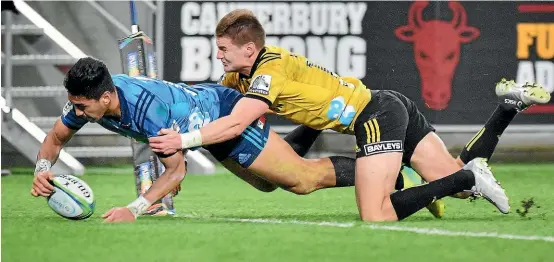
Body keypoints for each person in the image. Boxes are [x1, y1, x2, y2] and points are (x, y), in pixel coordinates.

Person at [148, 9, 551, 221]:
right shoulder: (241, 76)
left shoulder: (269, 70)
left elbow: (236, 123)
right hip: (387, 103)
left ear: (249, 50)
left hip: (375, 114)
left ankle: (458, 175)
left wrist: (181, 143)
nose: (219, 56)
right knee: (455, 187)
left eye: (224, 49)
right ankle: (508, 107)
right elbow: (219, 110)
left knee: (376, 214)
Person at [32, 57, 388, 223]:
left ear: (105, 97)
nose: (75, 112)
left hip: (222, 115)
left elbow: (175, 173)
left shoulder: (146, 111)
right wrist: (43, 169)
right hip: (196, 125)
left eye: (81, 106)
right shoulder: (87, 102)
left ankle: (389, 170)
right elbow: (55, 137)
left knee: (301, 180)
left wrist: (135, 208)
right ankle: (314, 128)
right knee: (267, 183)